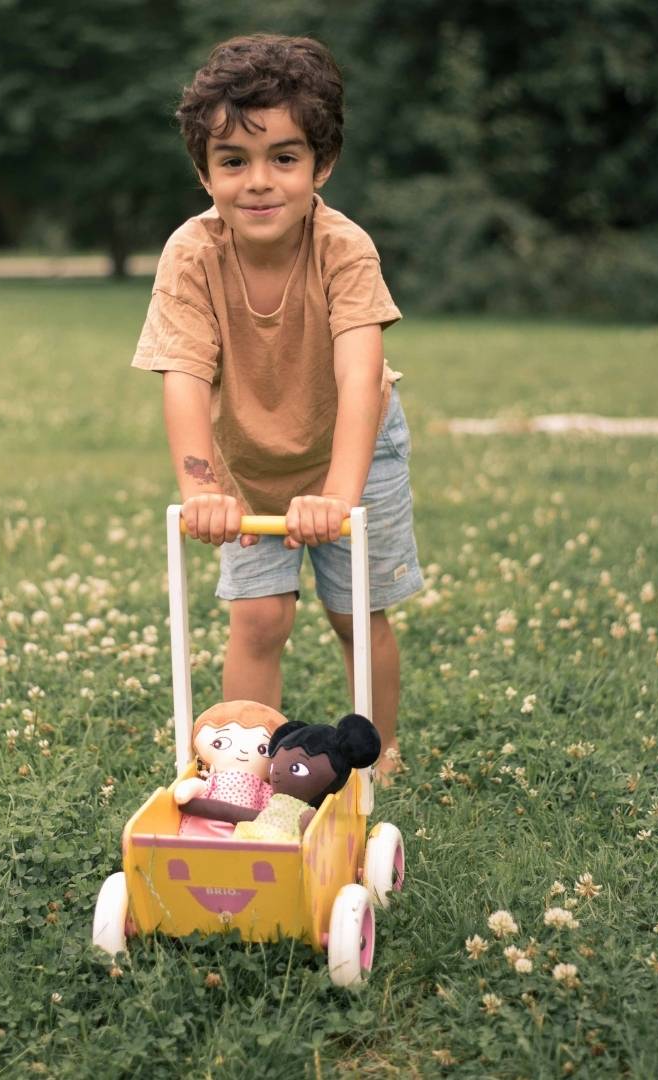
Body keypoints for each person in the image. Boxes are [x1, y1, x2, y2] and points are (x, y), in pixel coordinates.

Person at [132, 34, 422, 780]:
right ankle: (245, 768)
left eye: (283, 158)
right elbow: (184, 376)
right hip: (248, 458)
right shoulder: (192, 256)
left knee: (355, 612)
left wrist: (337, 495)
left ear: (320, 166)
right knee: (259, 616)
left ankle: (376, 756)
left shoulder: (343, 249)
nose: (259, 182)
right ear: (205, 173)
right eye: (234, 161)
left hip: (353, 448)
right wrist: (202, 489)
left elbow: (360, 378)